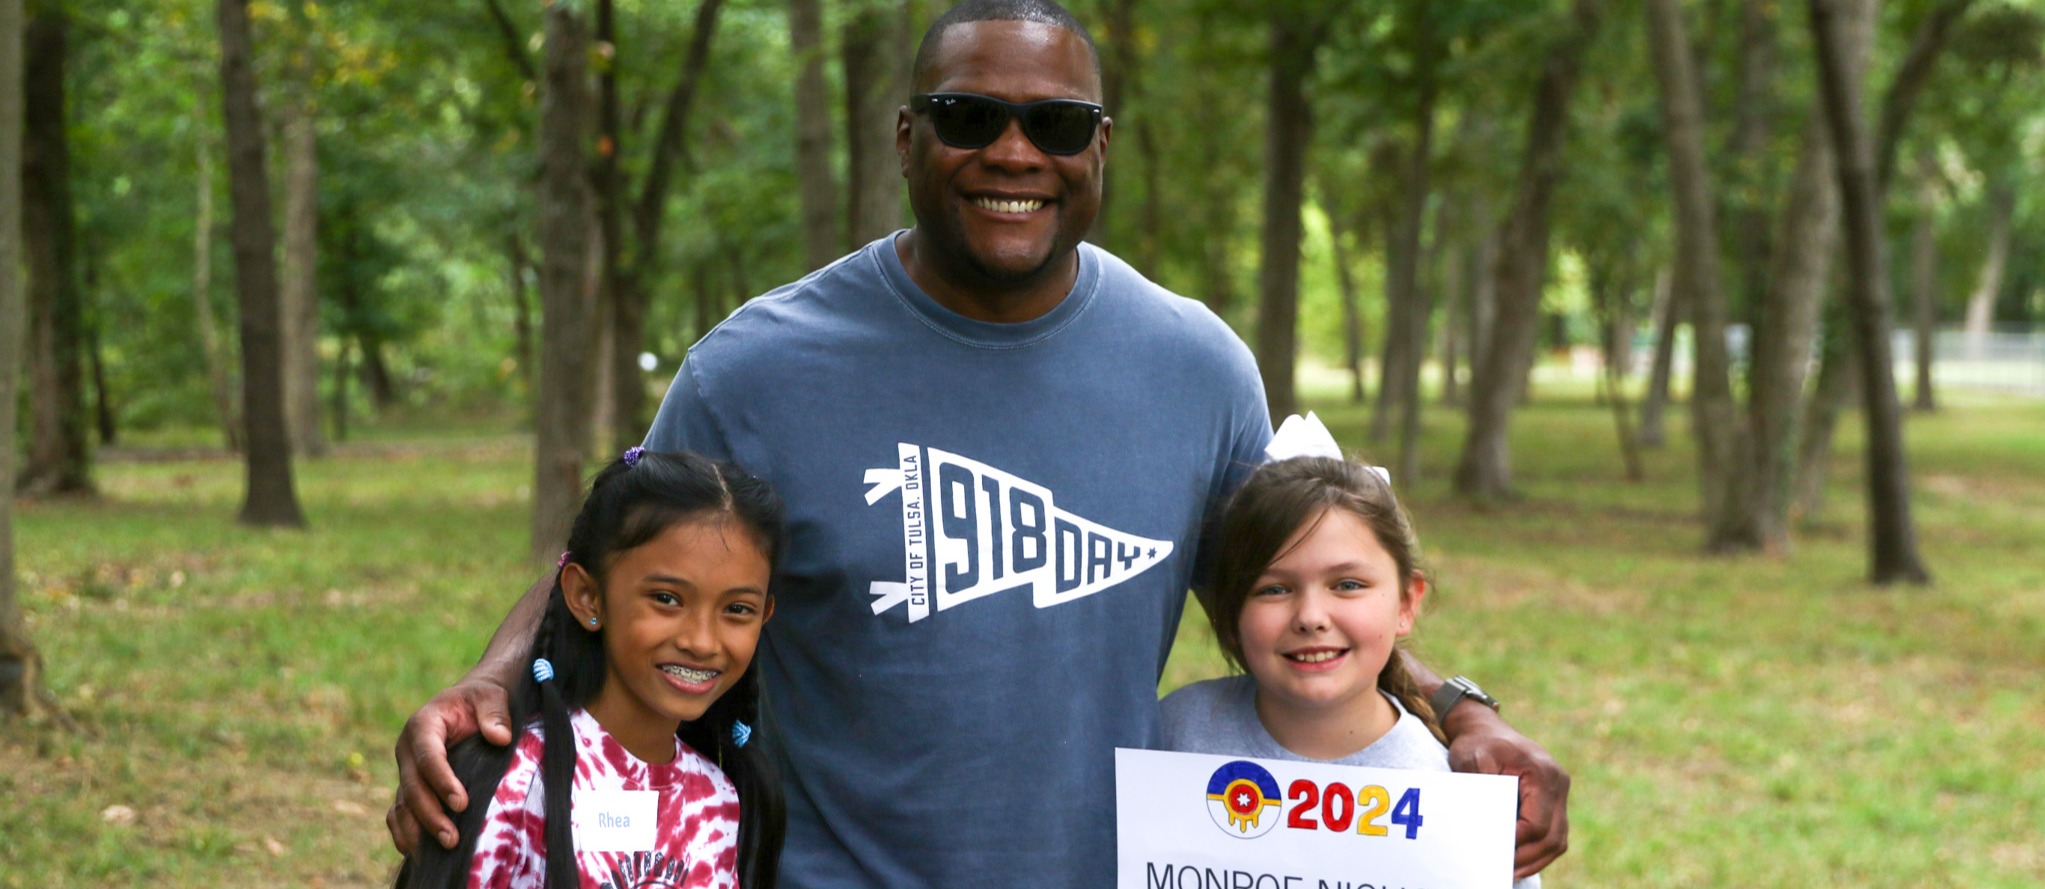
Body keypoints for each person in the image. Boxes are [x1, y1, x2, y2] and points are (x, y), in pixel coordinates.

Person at [390, 2, 1569, 886]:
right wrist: (497, 679)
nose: (1014, 152)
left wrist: (1460, 714)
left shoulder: (1195, 366)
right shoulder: (757, 366)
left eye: (1053, 123)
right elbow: (602, 551)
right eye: (969, 117)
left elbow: (1292, 603)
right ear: (906, 136)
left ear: (1098, 146)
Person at [1162, 416, 1537, 887]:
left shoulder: (1459, 794)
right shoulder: (1174, 734)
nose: (1311, 615)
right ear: (1229, 615)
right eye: (1274, 589)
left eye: (1348, 584)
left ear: (1406, 602)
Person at [395, 449, 787, 889]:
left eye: (737, 609)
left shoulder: (717, 798)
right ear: (587, 596)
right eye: (666, 599)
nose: (701, 640)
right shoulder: (519, 787)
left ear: (765, 616)